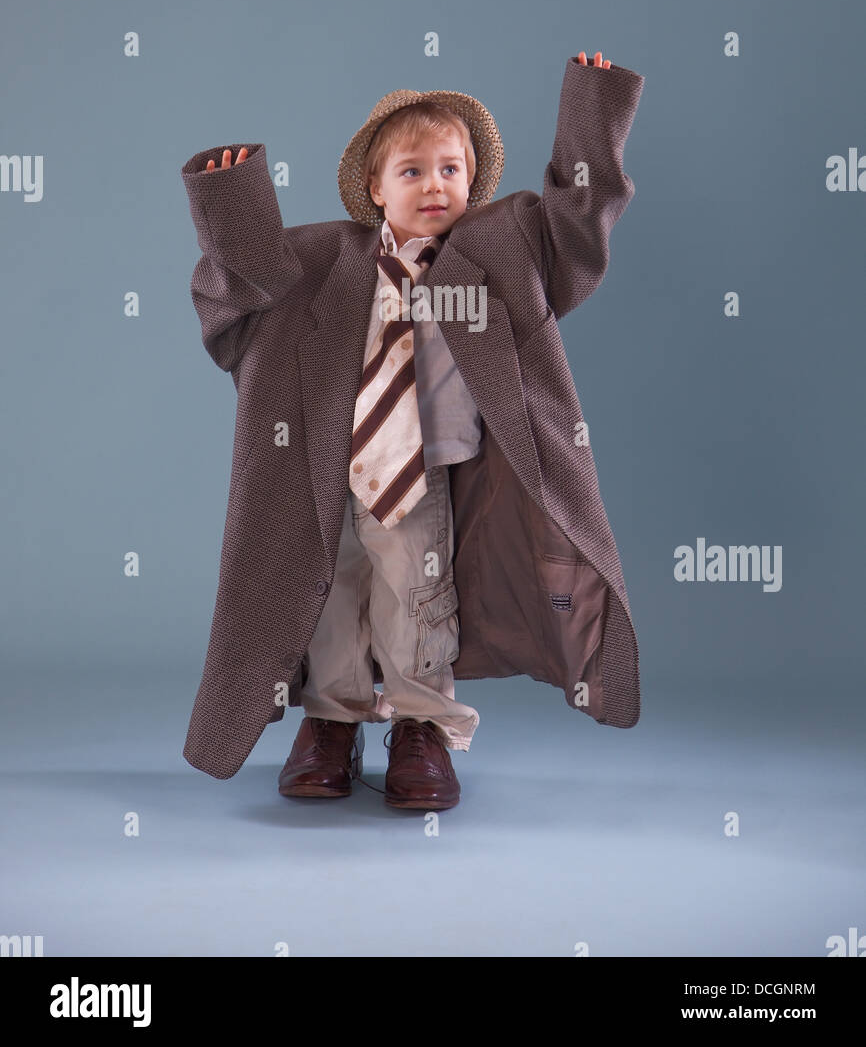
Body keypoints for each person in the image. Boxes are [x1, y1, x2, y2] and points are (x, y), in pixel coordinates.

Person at [182, 50, 645, 809]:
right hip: (328, 471)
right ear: (374, 188)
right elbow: (236, 303)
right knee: (330, 600)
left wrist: (590, 112)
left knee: (417, 601)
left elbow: (578, 230)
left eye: (452, 170)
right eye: (413, 171)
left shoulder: (502, 249)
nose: (436, 186)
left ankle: (422, 727)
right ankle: (332, 723)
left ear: (474, 182)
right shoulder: (324, 258)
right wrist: (233, 201)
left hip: (422, 467)